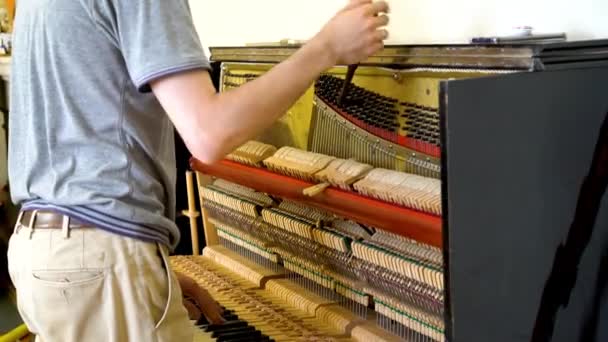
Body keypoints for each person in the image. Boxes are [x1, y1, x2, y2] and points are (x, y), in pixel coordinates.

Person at [5, 0, 390, 341]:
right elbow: (208, 134)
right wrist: (325, 49)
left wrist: (146, 273)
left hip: (52, 252)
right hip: (98, 257)